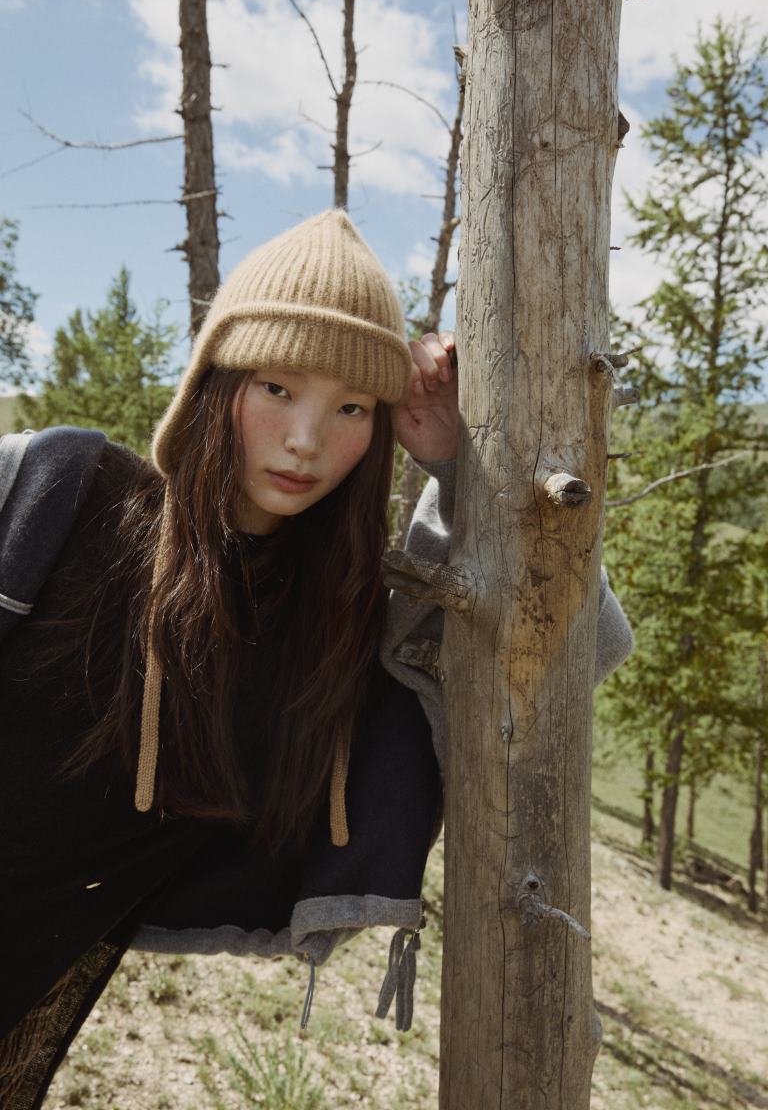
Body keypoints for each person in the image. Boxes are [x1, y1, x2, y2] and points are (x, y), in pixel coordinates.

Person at [0, 208, 633, 1107]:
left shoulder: (337, 630)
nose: (306, 440)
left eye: (351, 408)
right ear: (216, 383)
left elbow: (575, 647)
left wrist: (465, 464)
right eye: (276, 388)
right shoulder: (58, 495)